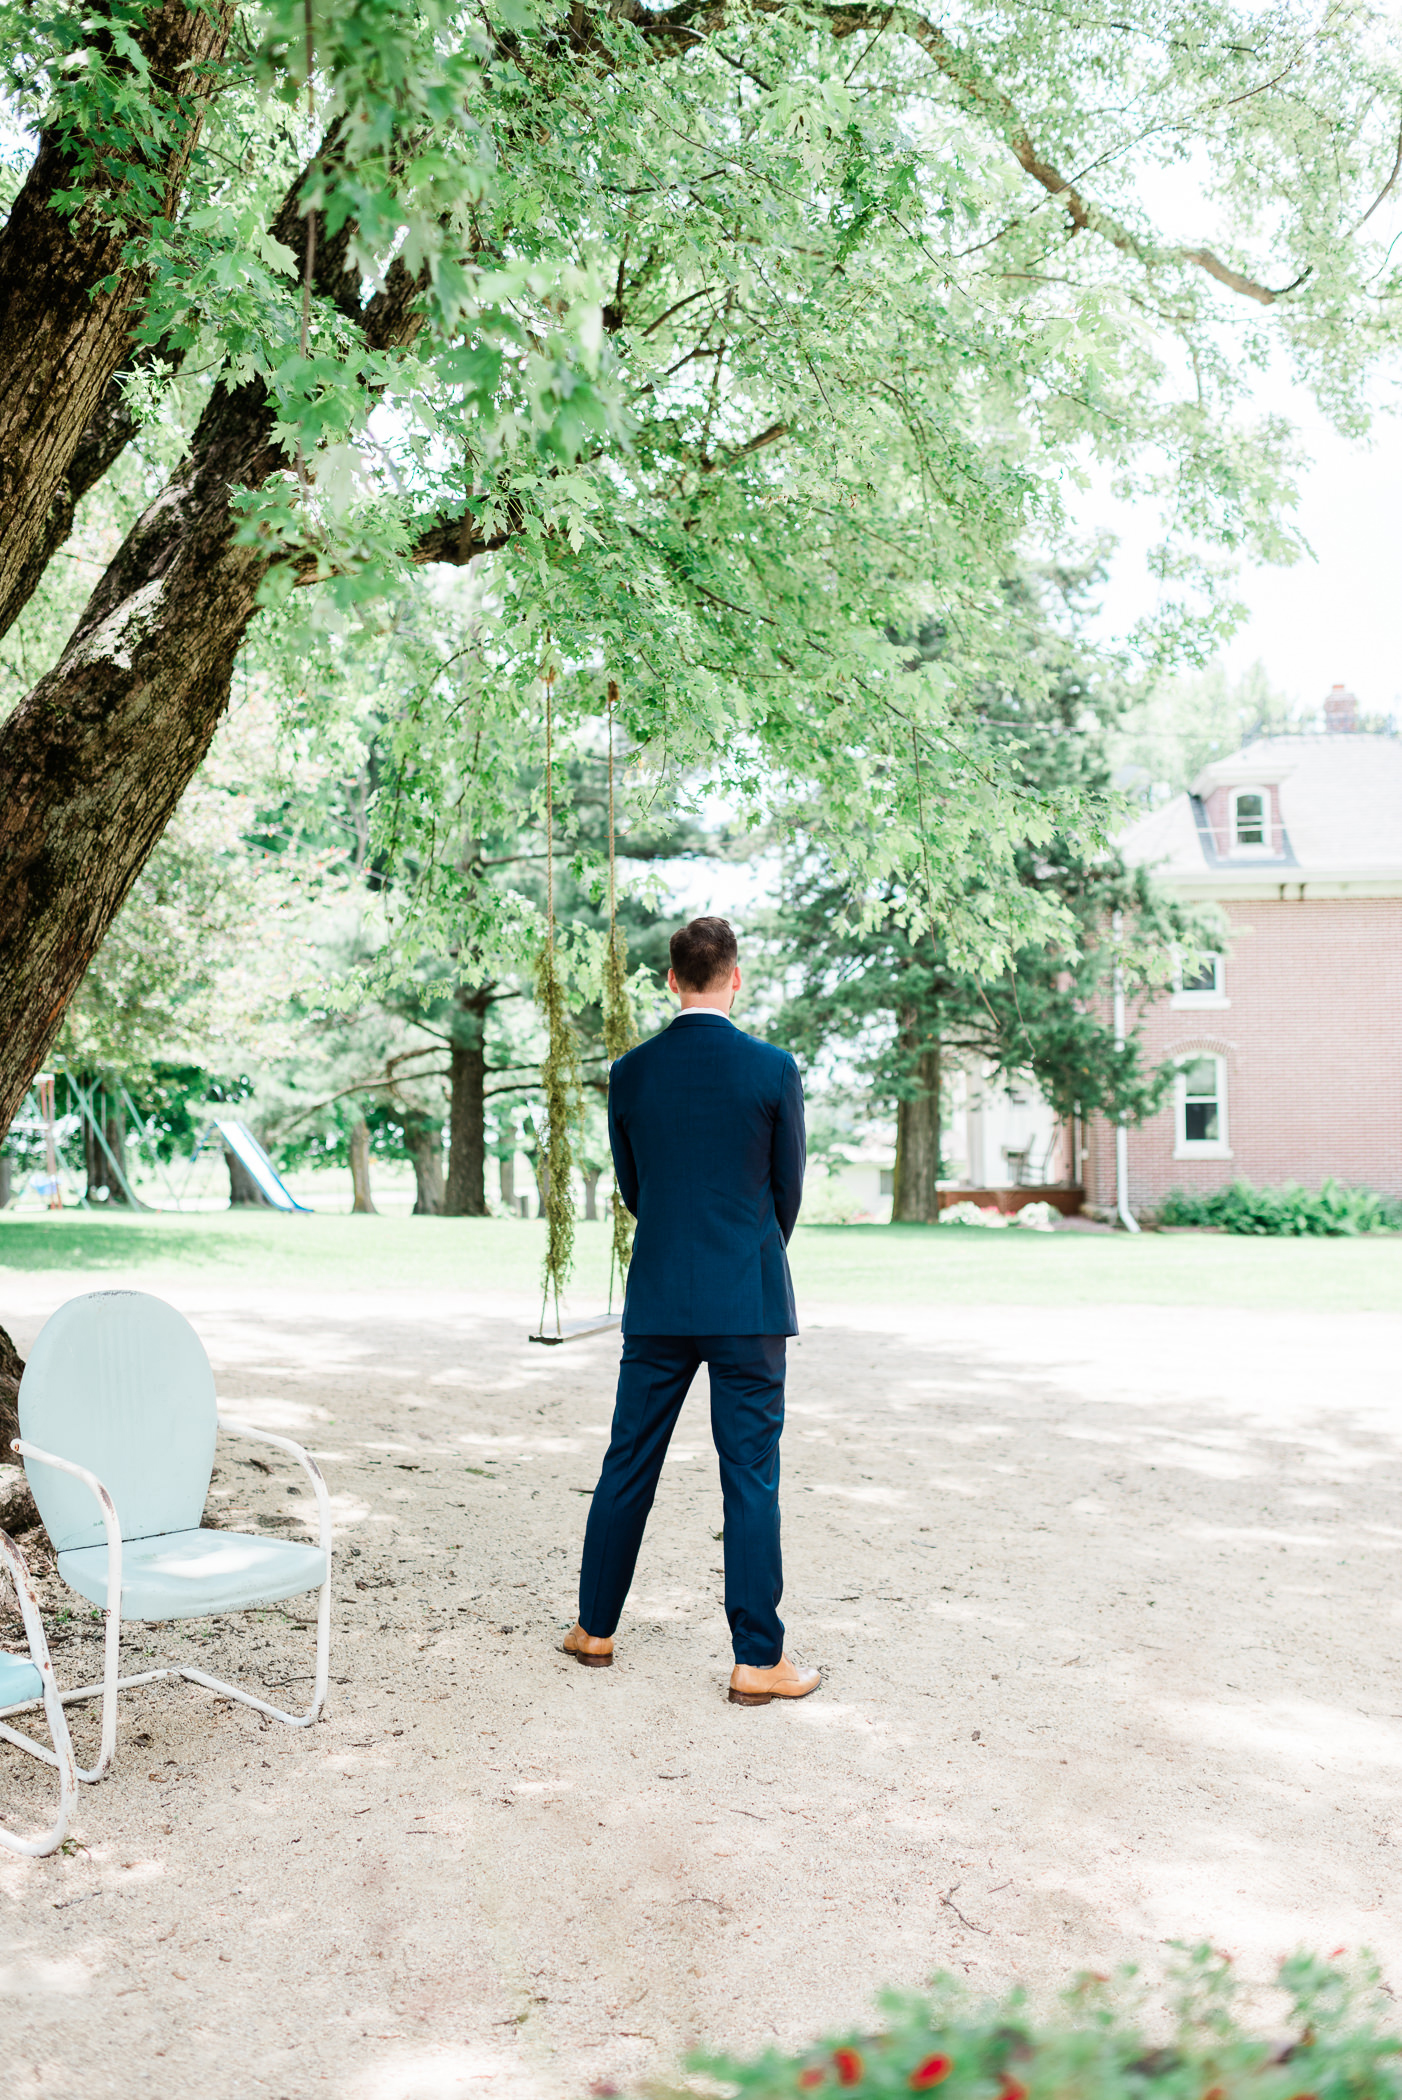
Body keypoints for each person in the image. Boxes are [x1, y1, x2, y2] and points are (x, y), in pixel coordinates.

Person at [562, 915, 819, 1706]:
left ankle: (595, 1629)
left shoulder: (631, 1072)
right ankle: (755, 1660)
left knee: (628, 1460)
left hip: (661, 1296)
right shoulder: (773, 1069)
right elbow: (788, 1192)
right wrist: (747, 1248)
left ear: (670, 979)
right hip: (748, 1298)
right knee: (750, 1476)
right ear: (733, 977)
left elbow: (635, 1189)